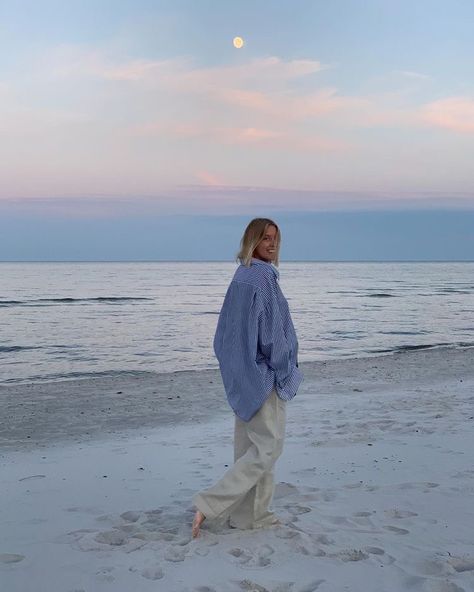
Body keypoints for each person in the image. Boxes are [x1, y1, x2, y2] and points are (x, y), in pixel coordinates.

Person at [192, 218, 302, 538]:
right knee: (267, 449)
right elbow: (272, 335)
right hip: (262, 377)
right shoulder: (262, 277)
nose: (272, 244)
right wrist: (283, 370)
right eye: (265, 238)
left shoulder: (241, 276)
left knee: (249, 450)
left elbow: (223, 336)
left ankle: (250, 517)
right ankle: (209, 504)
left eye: (275, 239)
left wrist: (237, 370)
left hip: (243, 378)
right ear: (251, 240)